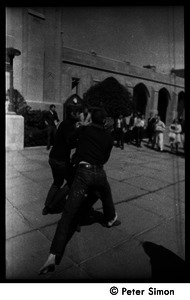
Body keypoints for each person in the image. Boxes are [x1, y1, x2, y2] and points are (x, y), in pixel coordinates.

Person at [39, 107, 119, 275]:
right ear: (104, 121)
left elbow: (70, 139)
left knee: (67, 214)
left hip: (83, 173)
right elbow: (104, 158)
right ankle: (110, 218)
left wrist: (81, 138)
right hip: (99, 173)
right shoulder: (108, 138)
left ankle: (53, 256)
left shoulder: (84, 129)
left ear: (92, 118)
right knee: (105, 193)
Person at [42, 107, 81, 215]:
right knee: (71, 182)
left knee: (57, 182)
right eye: (79, 113)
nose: (81, 115)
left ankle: (46, 207)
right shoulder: (69, 125)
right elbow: (69, 141)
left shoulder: (65, 123)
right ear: (73, 113)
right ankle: (52, 205)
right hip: (61, 160)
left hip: (53, 158)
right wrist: (79, 136)